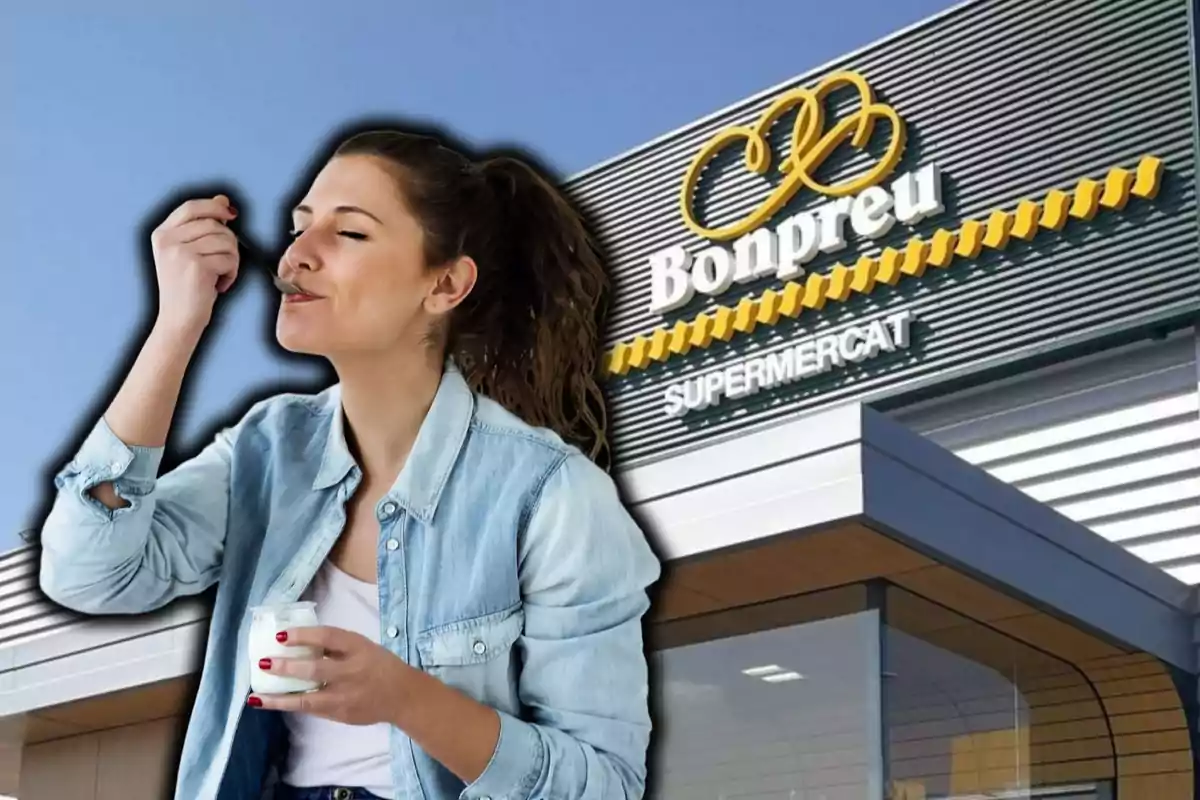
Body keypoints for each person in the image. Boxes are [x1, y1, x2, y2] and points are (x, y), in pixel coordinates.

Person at [37, 129, 662, 800]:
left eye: (350, 234)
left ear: (446, 284)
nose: (296, 257)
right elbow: (89, 576)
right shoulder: (268, 448)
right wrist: (176, 327)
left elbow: (604, 784)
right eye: (299, 227)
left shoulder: (553, 496)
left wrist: (408, 699)